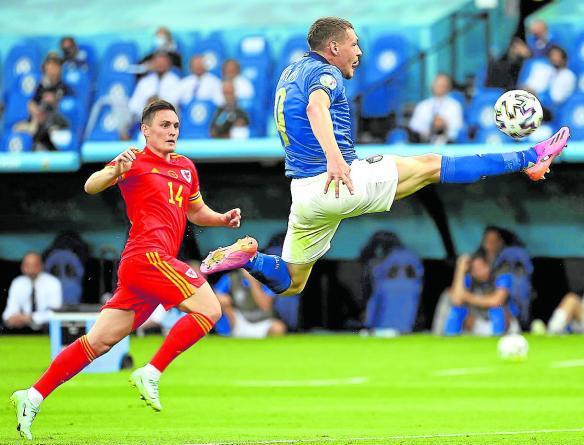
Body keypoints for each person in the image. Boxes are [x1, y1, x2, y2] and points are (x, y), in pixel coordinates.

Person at [199, 17, 570, 302]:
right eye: (353, 45)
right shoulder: (324, 72)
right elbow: (315, 108)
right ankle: (532, 154)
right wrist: (335, 159)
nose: (359, 52)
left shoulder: (289, 72)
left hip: (306, 194)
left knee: (292, 282)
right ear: (333, 47)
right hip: (337, 180)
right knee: (431, 166)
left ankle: (249, 258)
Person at [10, 99, 243, 440]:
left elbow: (196, 211)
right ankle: (151, 371)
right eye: (164, 125)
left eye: (176, 126)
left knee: (99, 341)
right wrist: (113, 170)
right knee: (210, 309)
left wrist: (221, 219)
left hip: (145, 269)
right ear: (145, 129)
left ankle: (32, 396)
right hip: (148, 257)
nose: (172, 131)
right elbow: (91, 185)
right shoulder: (134, 160)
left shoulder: (185, 168)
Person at [443, 250, 514, 336]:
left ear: (488, 265)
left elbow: (497, 301)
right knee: (456, 310)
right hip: (476, 322)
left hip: (499, 324)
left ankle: (498, 339)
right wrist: (460, 270)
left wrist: (467, 296)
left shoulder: (500, 275)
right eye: (474, 269)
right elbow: (456, 300)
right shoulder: (470, 279)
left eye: (480, 268)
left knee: (497, 309)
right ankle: (450, 341)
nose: (477, 272)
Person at [14, 52, 71, 151]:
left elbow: (64, 108)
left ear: (60, 69)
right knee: (17, 128)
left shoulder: (62, 87)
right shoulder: (41, 86)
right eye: (49, 65)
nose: (52, 69)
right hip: (38, 119)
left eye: (55, 65)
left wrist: (54, 101)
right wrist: (34, 110)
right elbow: (32, 103)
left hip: (54, 120)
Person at [121, 51, 181, 140]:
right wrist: (147, 104)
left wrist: (157, 103)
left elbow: (175, 103)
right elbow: (134, 106)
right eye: (157, 62)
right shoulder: (144, 82)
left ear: (169, 64)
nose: (160, 65)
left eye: (163, 62)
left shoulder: (175, 81)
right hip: (144, 120)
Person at [214, 269, 287, 338]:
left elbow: (266, 307)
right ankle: (231, 332)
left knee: (278, 328)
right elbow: (216, 296)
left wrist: (253, 282)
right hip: (240, 320)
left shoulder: (266, 279)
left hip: (263, 320)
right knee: (222, 300)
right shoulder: (231, 278)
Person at [2, 252, 62, 331]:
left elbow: (55, 313)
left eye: (34, 265)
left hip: (46, 329)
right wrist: (11, 318)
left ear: (41, 265)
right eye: (27, 265)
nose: (31, 268)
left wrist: (31, 318)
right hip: (21, 329)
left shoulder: (53, 283)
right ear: (22, 267)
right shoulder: (17, 283)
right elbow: (10, 310)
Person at [408, 73, 464, 144]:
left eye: (443, 85)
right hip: (424, 142)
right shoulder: (422, 105)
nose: (440, 88)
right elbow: (414, 126)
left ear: (448, 87)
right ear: (432, 86)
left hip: (448, 144)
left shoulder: (455, 106)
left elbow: (458, 127)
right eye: (438, 85)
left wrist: (444, 125)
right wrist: (430, 126)